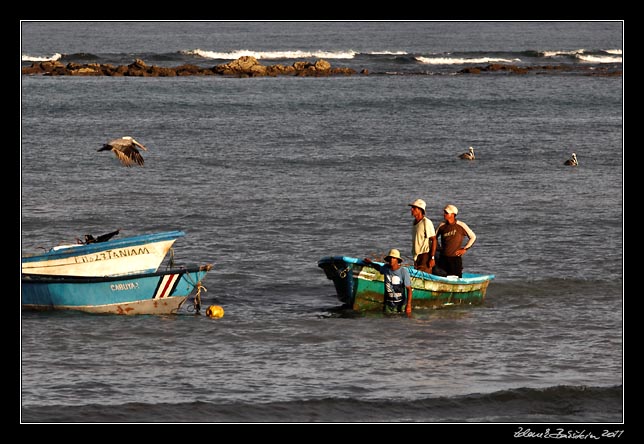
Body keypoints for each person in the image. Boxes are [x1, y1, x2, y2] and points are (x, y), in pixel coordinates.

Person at [363, 249, 413, 314]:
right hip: (388, 304)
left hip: (400, 305)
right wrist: (370, 263)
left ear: (397, 260)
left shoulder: (403, 272)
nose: (391, 260)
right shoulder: (386, 268)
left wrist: (408, 305)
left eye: (394, 258)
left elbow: (409, 289)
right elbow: (378, 267)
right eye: (390, 258)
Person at [434, 204, 476, 278]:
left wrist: (464, 249)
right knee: (442, 277)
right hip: (443, 257)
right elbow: (433, 238)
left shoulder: (461, 225)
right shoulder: (442, 226)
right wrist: (438, 248)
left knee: (456, 278)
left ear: (453, 214)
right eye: (444, 212)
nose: (444, 214)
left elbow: (473, 237)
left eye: (446, 213)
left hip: (455, 259)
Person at [408, 198, 437, 273]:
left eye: (414, 208)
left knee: (423, 277)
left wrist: (432, 258)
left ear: (420, 210)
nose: (412, 210)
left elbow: (433, 239)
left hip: (425, 256)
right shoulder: (414, 222)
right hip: (416, 257)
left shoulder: (426, 222)